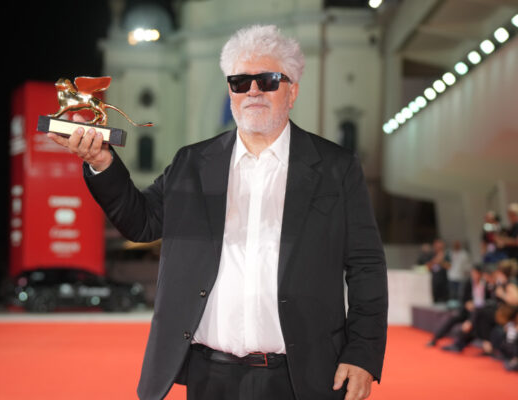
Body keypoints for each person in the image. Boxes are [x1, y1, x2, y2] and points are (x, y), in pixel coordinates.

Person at [49, 25, 387, 400]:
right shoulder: (192, 163)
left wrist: (363, 353)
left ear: (292, 91)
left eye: (269, 80)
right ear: (230, 92)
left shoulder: (336, 167)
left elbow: (366, 266)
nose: (253, 91)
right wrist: (101, 161)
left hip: (303, 377)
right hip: (211, 377)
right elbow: (141, 221)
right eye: (240, 82)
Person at [427, 238, 450, 304]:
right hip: (435, 281)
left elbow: (449, 266)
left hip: (444, 281)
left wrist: (441, 261)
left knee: (445, 300)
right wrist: (436, 260)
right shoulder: (431, 255)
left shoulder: (446, 255)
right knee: (435, 300)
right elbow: (428, 267)